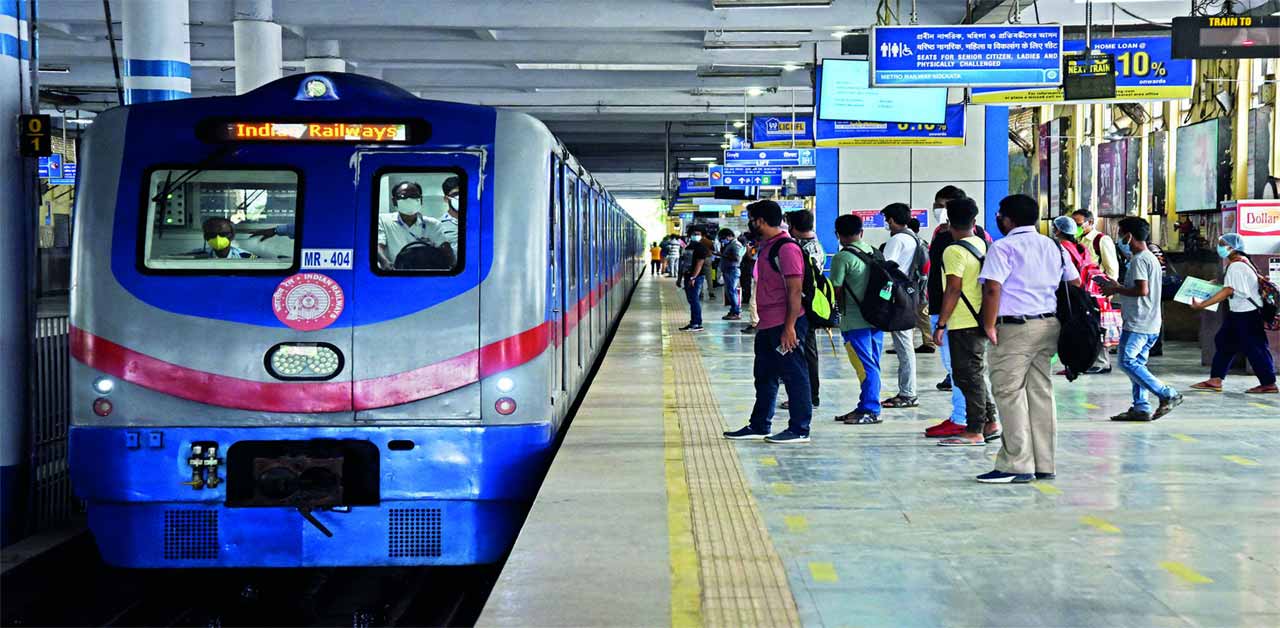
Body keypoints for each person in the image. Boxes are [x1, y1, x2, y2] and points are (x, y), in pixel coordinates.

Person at [975, 194, 1081, 484]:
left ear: (1007, 219)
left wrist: (988, 325)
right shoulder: (1055, 246)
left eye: (1000, 214)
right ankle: (1045, 462)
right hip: (1049, 325)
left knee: (1009, 393)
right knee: (1040, 393)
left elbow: (993, 289)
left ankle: (1016, 464)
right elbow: (1075, 283)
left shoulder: (1004, 248)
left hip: (1014, 328)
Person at [724, 200, 812, 444]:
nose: (750, 224)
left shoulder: (786, 248)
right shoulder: (767, 246)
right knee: (764, 375)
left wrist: (790, 327)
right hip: (767, 324)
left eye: (751, 219)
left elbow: (794, 291)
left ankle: (800, 429)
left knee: (795, 375)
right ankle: (760, 425)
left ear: (760, 221)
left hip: (785, 324)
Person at [1098, 217, 1184, 420]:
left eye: (1120, 234)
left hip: (1139, 322)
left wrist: (1116, 288)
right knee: (1138, 364)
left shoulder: (1139, 260)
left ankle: (1167, 393)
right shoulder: (1148, 258)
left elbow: (1141, 290)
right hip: (1150, 321)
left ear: (1128, 236)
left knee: (1126, 362)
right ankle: (1141, 407)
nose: (1119, 239)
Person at [932, 198, 1001, 445]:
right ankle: (990, 421)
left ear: (949, 223)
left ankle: (974, 429)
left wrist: (941, 324)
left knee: (966, 376)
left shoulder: (954, 250)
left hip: (963, 321)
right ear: (974, 221)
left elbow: (953, 289)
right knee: (973, 374)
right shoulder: (981, 244)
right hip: (980, 318)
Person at [1190, 233, 1278, 394]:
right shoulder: (1240, 262)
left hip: (1247, 314)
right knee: (1224, 342)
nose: (1219, 247)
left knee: (1256, 348)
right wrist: (1214, 283)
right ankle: (1215, 379)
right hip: (1238, 312)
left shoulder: (1237, 266)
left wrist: (1202, 304)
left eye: (1222, 244)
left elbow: (1228, 290)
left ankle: (1269, 383)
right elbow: (1230, 284)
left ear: (1232, 247)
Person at [829, 214, 884, 425]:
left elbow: (836, 288)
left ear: (838, 235)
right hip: (877, 317)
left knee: (865, 365)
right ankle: (865, 405)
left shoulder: (842, 257)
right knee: (873, 364)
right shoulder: (874, 252)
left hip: (854, 320)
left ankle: (871, 408)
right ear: (861, 232)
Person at [1053, 215, 1111, 374]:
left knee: (1073, 329)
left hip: (1072, 293)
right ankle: (1081, 362)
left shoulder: (1061, 247)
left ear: (1058, 230)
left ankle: (1077, 363)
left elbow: (1065, 274)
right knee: (1089, 326)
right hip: (1088, 292)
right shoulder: (1079, 246)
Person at [879, 203, 924, 409]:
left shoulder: (897, 240)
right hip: (910, 293)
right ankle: (906, 391)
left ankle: (908, 393)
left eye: (887, 219)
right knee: (904, 344)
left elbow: (885, 270)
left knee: (904, 346)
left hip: (898, 296)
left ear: (891, 219)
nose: (886, 223)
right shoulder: (914, 238)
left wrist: (881, 297)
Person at [785, 210, 825, 409]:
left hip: (804, 306)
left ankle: (809, 396)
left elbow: (801, 282)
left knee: (805, 352)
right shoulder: (812, 246)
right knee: (804, 351)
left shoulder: (805, 249)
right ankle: (807, 394)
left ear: (793, 226)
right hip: (807, 304)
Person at [377, 181, 443, 270]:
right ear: (394, 201)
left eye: (414, 196)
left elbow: (445, 249)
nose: (409, 200)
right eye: (404, 196)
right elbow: (378, 246)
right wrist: (384, 262)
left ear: (421, 200)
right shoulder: (383, 220)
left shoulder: (433, 224)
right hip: (395, 274)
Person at [1072, 209, 1119, 281]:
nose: (1075, 227)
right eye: (1073, 224)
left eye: (1078, 224)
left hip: (1095, 286)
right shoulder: (1076, 239)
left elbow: (1112, 269)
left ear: (1090, 222)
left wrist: (1110, 289)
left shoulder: (1101, 239)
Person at [680, 228, 711, 332]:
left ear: (701, 235)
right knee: (691, 300)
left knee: (694, 299)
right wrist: (680, 278)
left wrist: (693, 277)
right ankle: (694, 322)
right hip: (688, 275)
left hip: (696, 277)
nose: (695, 235)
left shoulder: (701, 247)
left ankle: (696, 323)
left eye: (698, 234)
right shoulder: (688, 246)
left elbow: (699, 263)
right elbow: (683, 263)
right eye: (694, 234)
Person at [718, 229, 745, 321]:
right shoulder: (730, 244)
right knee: (730, 291)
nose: (722, 240)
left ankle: (736, 312)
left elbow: (737, 258)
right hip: (729, 270)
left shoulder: (735, 245)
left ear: (729, 236)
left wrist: (722, 255)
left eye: (723, 238)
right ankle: (733, 310)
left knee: (732, 291)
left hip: (732, 270)